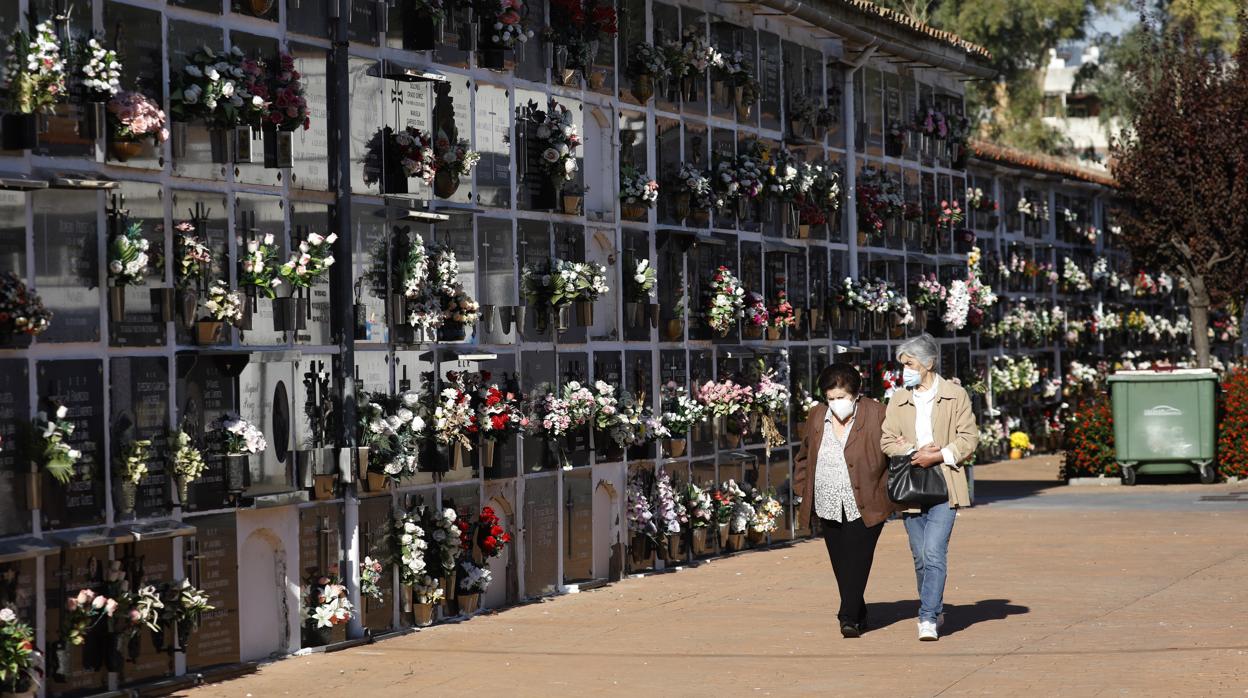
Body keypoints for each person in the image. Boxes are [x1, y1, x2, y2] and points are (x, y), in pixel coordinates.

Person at [881, 334, 978, 642]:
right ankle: (933, 607)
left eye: (909, 364)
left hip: (945, 483)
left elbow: (969, 438)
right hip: (911, 485)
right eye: (902, 365)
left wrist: (937, 454)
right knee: (920, 556)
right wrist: (914, 451)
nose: (904, 371)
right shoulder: (898, 398)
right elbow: (887, 440)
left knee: (934, 551)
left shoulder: (955, 395)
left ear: (928, 364)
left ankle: (927, 618)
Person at [793, 362, 895, 638]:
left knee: (858, 558)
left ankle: (847, 616)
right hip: (827, 499)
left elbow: (895, 452)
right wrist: (802, 488)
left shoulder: (878, 414)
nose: (836, 403)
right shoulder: (817, 416)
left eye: (842, 397)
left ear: (856, 395)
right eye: (831, 398)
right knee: (840, 562)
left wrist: (888, 488)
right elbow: (804, 455)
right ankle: (858, 611)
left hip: (866, 499)